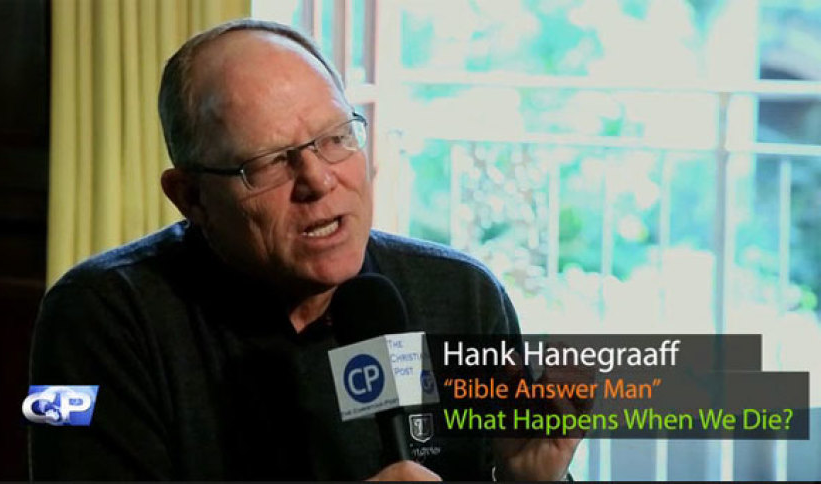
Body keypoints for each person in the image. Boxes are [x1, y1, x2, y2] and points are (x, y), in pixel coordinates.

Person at [28, 18, 580, 481]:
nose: (318, 179)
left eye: (336, 137)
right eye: (269, 162)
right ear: (190, 196)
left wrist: (523, 480)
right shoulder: (98, 316)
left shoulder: (461, 294)